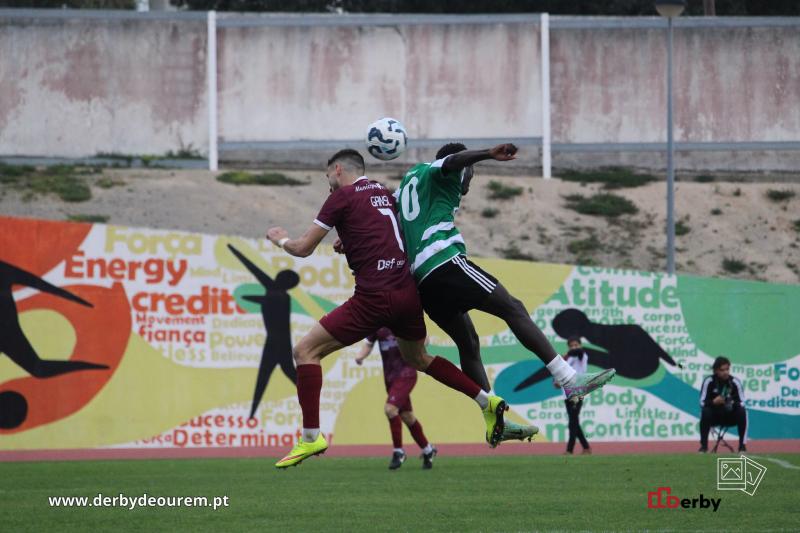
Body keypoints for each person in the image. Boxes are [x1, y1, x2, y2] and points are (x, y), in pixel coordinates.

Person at [266, 149, 508, 468]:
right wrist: (347, 242)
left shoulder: (342, 198)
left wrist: (280, 240)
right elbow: (388, 230)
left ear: (338, 169)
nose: (328, 185)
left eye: (328, 177)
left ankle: (311, 438)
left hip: (373, 298)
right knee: (418, 357)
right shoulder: (383, 191)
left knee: (305, 352)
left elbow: (303, 248)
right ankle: (486, 400)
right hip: (407, 294)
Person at [393, 143, 616, 404]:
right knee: (513, 308)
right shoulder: (443, 169)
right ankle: (569, 379)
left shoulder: (409, 182)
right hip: (443, 261)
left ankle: (493, 415)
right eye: (472, 171)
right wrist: (487, 154)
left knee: (469, 344)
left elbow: (389, 216)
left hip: (421, 281)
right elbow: (454, 161)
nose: (471, 178)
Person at [355, 328, 437, 469]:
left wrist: (423, 340)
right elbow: (368, 343)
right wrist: (360, 356)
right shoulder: (377, 322)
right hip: (390, 377)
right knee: (407, 416)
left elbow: (424, 338)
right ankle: (428, 450)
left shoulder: (403, 318)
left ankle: (398, 452)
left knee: (390, 409)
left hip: (407, 374)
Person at [699, 356, 747, 453]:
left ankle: (742, 446)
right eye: (722, 370)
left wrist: (731, 402)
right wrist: (714, 402)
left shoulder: (735, 382)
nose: (725, 372)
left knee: (742, 412)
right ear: (716, 370)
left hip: (729, 416)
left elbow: (742, 402)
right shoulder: (709, 381)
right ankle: (704, 447)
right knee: (705, 412)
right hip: (714, 416)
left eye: (727, 369)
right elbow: (702, 402)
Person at [555, 337, 591, 455]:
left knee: (572, 423)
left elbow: (578, 352)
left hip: (577, 393)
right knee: (574, 421)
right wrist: (557, 381)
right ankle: (586, 447)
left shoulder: (581, 355)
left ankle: (569, 450)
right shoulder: (568, 359)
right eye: (571, 345)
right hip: (567, 394)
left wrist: (566, 354)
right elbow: (561, 375)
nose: (574, 347)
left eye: (576, 345)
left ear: (580, 345)